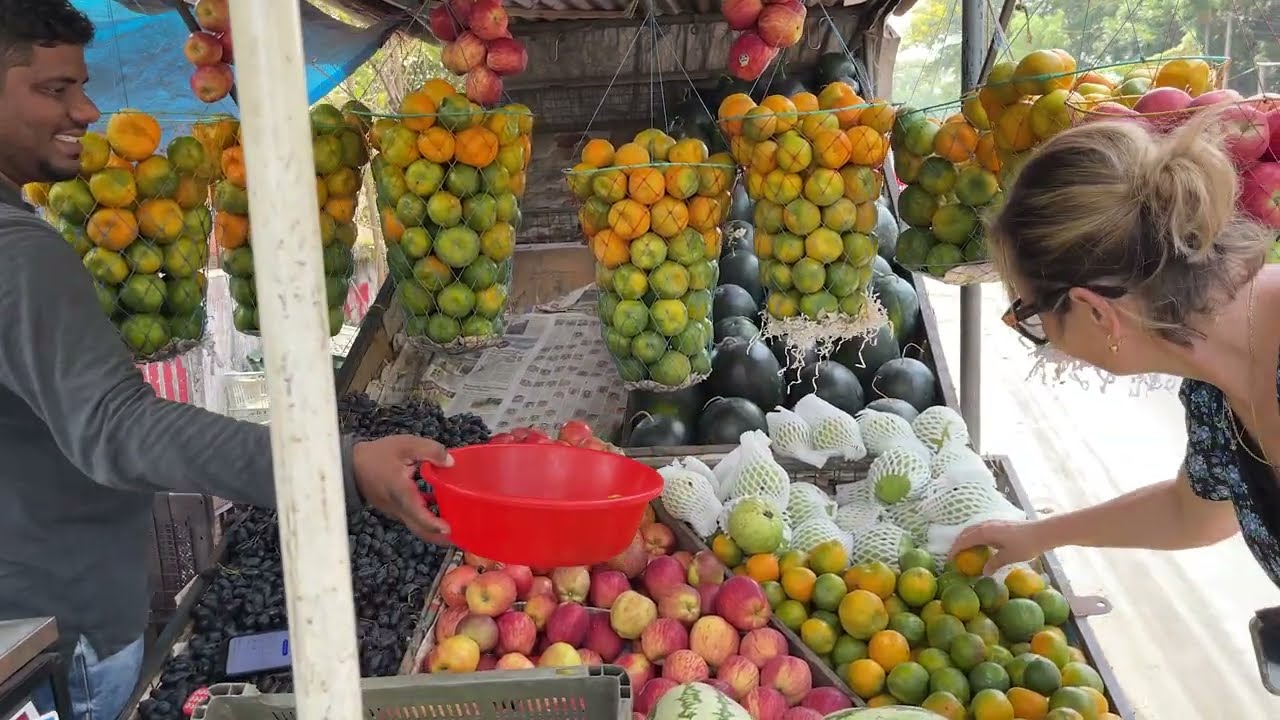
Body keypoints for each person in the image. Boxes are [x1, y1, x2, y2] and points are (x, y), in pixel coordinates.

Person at [0, 3, 453, 719]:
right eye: (54, 89)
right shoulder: (20, 256)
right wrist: (338, 466)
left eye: (81, 85)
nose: (86, 109)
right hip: (68, 633)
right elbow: (118, 427)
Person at [949, 107, 1280, 589]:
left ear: (1096, 311)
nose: (1044, 337)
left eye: (1032, 315)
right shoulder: (1213, 392)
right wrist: (1041, 534)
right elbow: (1193, 515)